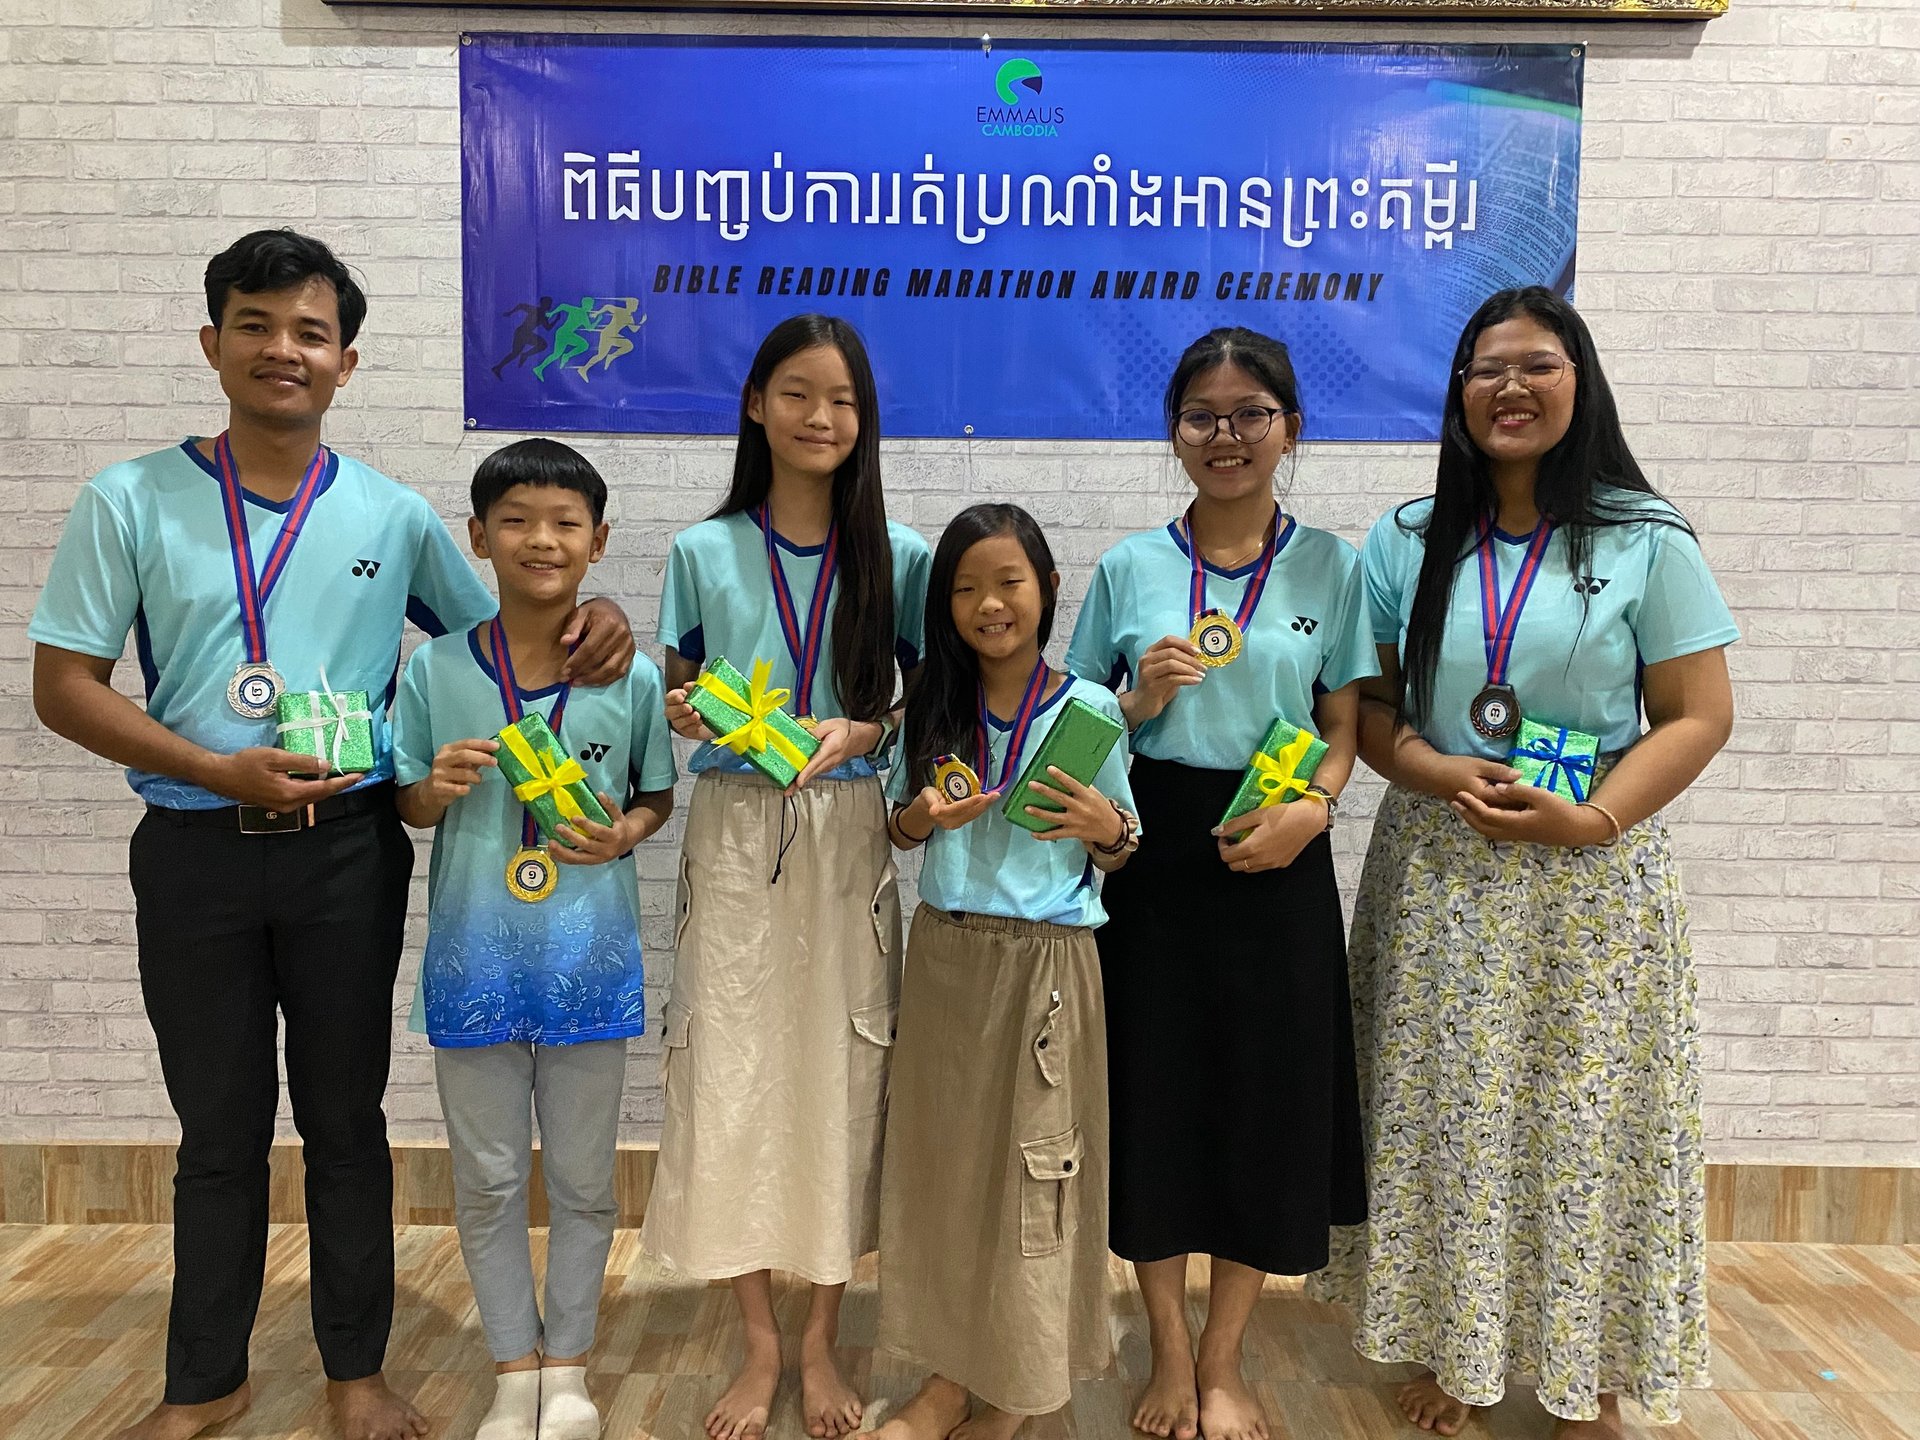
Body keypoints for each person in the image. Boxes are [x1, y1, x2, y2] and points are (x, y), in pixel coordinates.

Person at [27, 229, 634, 1440]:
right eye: (255, 325)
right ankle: (206, 1382)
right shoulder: (130, 497)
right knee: (218, 1131)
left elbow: (514, 632)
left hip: (348, 854)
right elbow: (63, 685)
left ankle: (358, 1374)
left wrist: (600, 614)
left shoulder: (394, 514)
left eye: (310, 332)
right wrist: (209, 762)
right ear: (214, 344)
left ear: (347, 361)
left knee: (346, 1122)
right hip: (194, 848)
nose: (282, 350)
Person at [1316, 286, 1736, 1438]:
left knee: (1585, 1121)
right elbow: (1376, 711)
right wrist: (1440, 775)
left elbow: (1697, 715)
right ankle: (1463, 1354)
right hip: (1442, 870)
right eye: (1487, 369)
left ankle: (1591, 1375)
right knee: (1450, 1117)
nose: (1511, 388)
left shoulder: (1647, 536)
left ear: (1578, 383)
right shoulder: (1405, 541)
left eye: (1538, 366)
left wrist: (1593, 820)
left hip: (1593, 882)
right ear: (1455, 397)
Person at [1066, 328, 1376, 1440]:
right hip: (1154, 846)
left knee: (1265, 1103)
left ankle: (1223, 1358)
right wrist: (1139, 703)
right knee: (1151, 1094)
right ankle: (1160, 1350)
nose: (1227, 435)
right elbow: (1077, 725)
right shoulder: (1127, 569)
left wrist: (1316, 808)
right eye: (1203, 415)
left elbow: (1343, 722)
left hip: (1280, 837)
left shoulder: (1334, 566)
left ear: (1291, 429)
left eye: (1252, 413)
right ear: (1174, 433)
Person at [639, 314, 932, 1440]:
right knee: (729, 1081)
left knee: (843, 1083)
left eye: (844, 400)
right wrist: (677, 708)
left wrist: (863, 736)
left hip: (849, 832)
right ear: (756, 404)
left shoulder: (899, 559)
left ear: (865, 421)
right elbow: (677, 694)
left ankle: (820, 1343)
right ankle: (757, 1346)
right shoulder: (703, 552)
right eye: (799, 394)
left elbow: (920, 709)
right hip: (733, 830)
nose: (822, 418)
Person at [391, 438, 676, 1440]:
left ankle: (572, 1366)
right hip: (473, 963)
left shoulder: (629, 676)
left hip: (588, 965)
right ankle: (515, 1366)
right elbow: (407, 803)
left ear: (598, 542)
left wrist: (626, 833)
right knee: (490, 1179)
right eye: (515, 520)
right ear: (476, 538)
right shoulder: (432, 669)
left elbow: (655, 795)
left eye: (564, 523)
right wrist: (436, 785)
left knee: (588, 1182)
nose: (540, 539)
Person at [873, 504, 1139, 1440]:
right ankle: (949, 1380)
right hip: (948, 953)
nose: (990, 603)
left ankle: (1027, 1389)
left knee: (1036, 1182)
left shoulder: (1091, 709)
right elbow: (895, 830)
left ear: (1048, 590)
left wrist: (1106, 830)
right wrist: (923, 821)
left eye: (1009, 582)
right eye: (967, 588)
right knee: (946, 1174)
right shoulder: (934, 707)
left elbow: (1123, 844)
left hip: (1049, 966)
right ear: (945, 606)